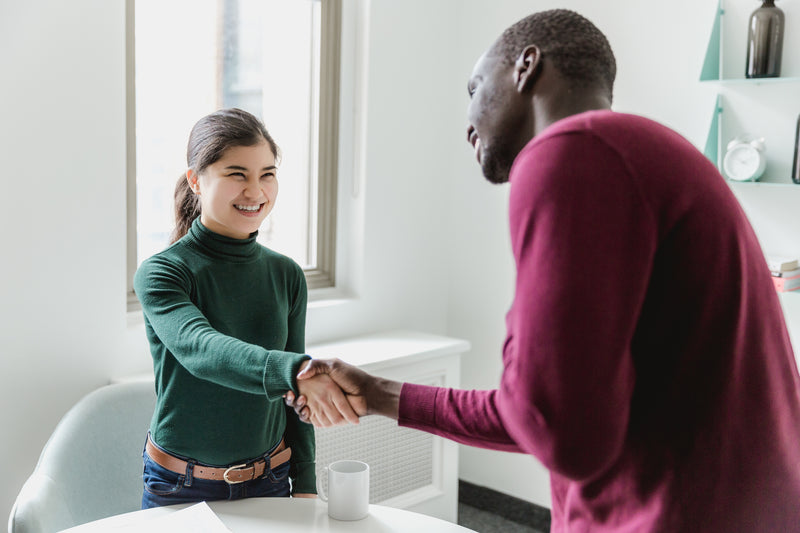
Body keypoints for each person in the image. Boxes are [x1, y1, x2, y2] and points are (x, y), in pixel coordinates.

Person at [286, 9, 800, 532]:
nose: (467, 124)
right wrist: (376, 394)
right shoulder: (649, 150)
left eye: (474, 88)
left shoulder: (574, 150)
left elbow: (559, 432)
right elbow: (559, 413)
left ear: (526, 66)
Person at [134, 108, 357, 509]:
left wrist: (304, 479)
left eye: (266, 174)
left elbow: (293, 395)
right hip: (180, 485)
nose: (255, 192)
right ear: (196, 180)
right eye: (237, 174)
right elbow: (200, 348)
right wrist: (296, 370)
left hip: (270, 475)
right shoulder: (162, 272)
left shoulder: (286, 274)